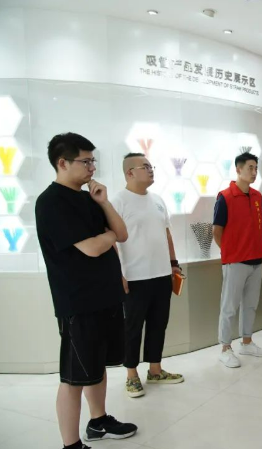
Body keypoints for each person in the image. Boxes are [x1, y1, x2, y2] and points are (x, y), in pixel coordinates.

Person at [35, 133, 137, 449]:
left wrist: (104, 202)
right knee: (73, 378)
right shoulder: (51, 202)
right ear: (62, 163)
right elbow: (92, 248)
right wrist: (107, 237)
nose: (92, 167)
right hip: (78, 302)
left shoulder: (90, 197)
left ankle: (98, 420)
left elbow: (121, 233)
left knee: (98, 365)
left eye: (93, 161)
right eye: (86, 161)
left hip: (106, 296)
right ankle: (71, 444)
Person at [112, 153, 184, 399]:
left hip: (162, 274)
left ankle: (155, 370)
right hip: (134, 277)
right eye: (145, 166)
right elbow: (112, 241)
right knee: (132, 327)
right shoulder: (118, 201)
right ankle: (131, 375)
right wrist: (117, 273)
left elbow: (167, 234)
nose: (151, 170)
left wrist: (173, 264)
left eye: (151, 166)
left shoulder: (158, 200)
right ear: (129, 173)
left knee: (158, 324)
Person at [213, 152, 262, 368]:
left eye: (256, 168)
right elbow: (216, 231)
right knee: (229, 307)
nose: (254, 172)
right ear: (238, 169)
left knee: (250, 305)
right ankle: (225, 348)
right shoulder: (225, 197)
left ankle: (247, 342)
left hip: (256, 260)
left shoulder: (257, 196)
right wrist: (230, 252)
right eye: (250, 168)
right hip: (235, 262)